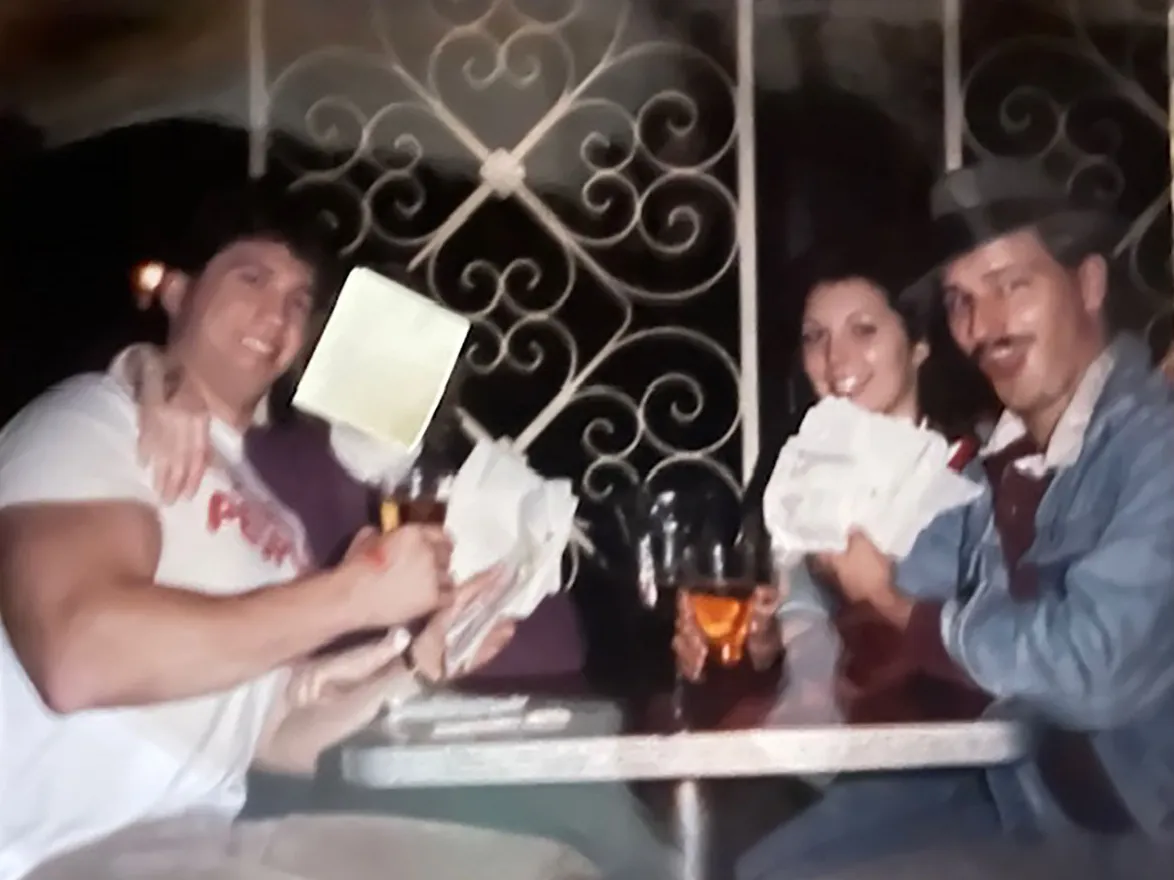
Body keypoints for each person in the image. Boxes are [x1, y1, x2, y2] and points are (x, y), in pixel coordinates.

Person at [0, 184, 598, 880]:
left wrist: (417, 664)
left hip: (192, 838)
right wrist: (354, 597)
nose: (275, 312)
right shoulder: (95, 418)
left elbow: (275, 738)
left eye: (297, 300)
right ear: (177, 293)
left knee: (550, 870)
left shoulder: (274, 517)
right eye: (251, 278)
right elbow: (79, 657)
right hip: (48, 853)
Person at [737, 158, 1174, 880]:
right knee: (764, 868)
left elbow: (1095, 667)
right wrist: (770, 642)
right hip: (1010, 796)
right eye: (961, 299)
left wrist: (895, 606)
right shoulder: (990, 467)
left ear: (1088, 285)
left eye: (1011, 286)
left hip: (1131, 827)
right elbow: (895, 600)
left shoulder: (1153, 444)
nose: (984, 325)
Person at [673, 236, 980, 711]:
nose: (836, 360)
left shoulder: (969, 478)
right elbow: (775, 668)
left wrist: (878, 595)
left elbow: (1001, 663)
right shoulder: (790, 477)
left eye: (864, 330)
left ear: (919, 344)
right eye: (816, 336)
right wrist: (741, 656)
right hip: (815, 756)